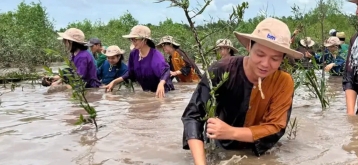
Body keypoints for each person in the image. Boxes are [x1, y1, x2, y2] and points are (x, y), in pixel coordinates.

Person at [182, 17, 303, 162]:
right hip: (220, 146)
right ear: (249, 47)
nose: (265, 64)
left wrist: (231, 132)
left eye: (275, 59)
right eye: (260, 54)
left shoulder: (284, 82)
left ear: (282, 59)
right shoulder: (221, 69)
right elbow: (193, 117)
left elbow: (276, 127)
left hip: (257, 151)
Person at [104, 25, 174, 98]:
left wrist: (161, 84)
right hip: (148, 92)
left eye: (135, 39)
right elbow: (131, 73)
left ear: (145, 40)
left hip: (164, 92)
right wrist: (114, 82)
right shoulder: (134, 54)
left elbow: (166, 71)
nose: (133, 42)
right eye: (131, 39)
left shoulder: (156, 55)